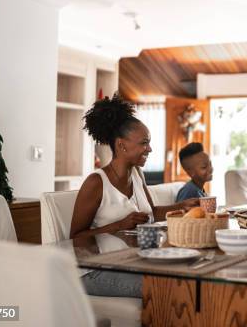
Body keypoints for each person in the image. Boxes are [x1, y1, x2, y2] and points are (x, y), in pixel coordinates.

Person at [70, 94, 199, 298]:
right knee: (169, 289)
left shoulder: (137, 174)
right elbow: (75, 238)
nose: (150, 148)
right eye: (144, 143)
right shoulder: (96, 183)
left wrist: (183, 207)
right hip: (95, 271)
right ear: (122, 145)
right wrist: (119, 225)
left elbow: (152, 213)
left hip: (132, 262)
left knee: (192, 274)